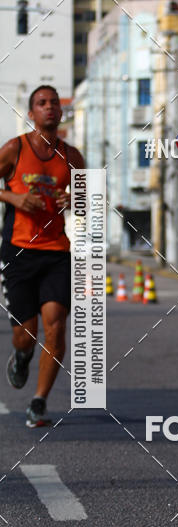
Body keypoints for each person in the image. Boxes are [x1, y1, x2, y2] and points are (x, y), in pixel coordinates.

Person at [0, 85, 85, 427]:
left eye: (54, 103)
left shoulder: (73, 156)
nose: (49, 107)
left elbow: (85, 199)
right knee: (27, 334)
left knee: (56, 326)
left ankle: (38, 402)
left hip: (56, 252)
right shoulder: (14, 149)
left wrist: (73, 200)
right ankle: (21, 355)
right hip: (19, 250)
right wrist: (13, 198)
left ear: (60, 113)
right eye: (41, 103)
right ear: (31, 112)